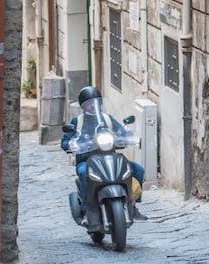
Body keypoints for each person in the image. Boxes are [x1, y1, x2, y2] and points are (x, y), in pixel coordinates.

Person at [61, 86, 146, 219]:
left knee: (138, 169)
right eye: (89, 104)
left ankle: (133, 204)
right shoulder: (77, 121)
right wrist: (70, 145)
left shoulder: (107, 119)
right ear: (83, 106)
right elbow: (66, 140)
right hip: (86, 160)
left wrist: (129, 137)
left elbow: (121, 132)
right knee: (83, 173)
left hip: (110, 158)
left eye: (95, 102)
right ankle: (86, 207)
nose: (93, 106)